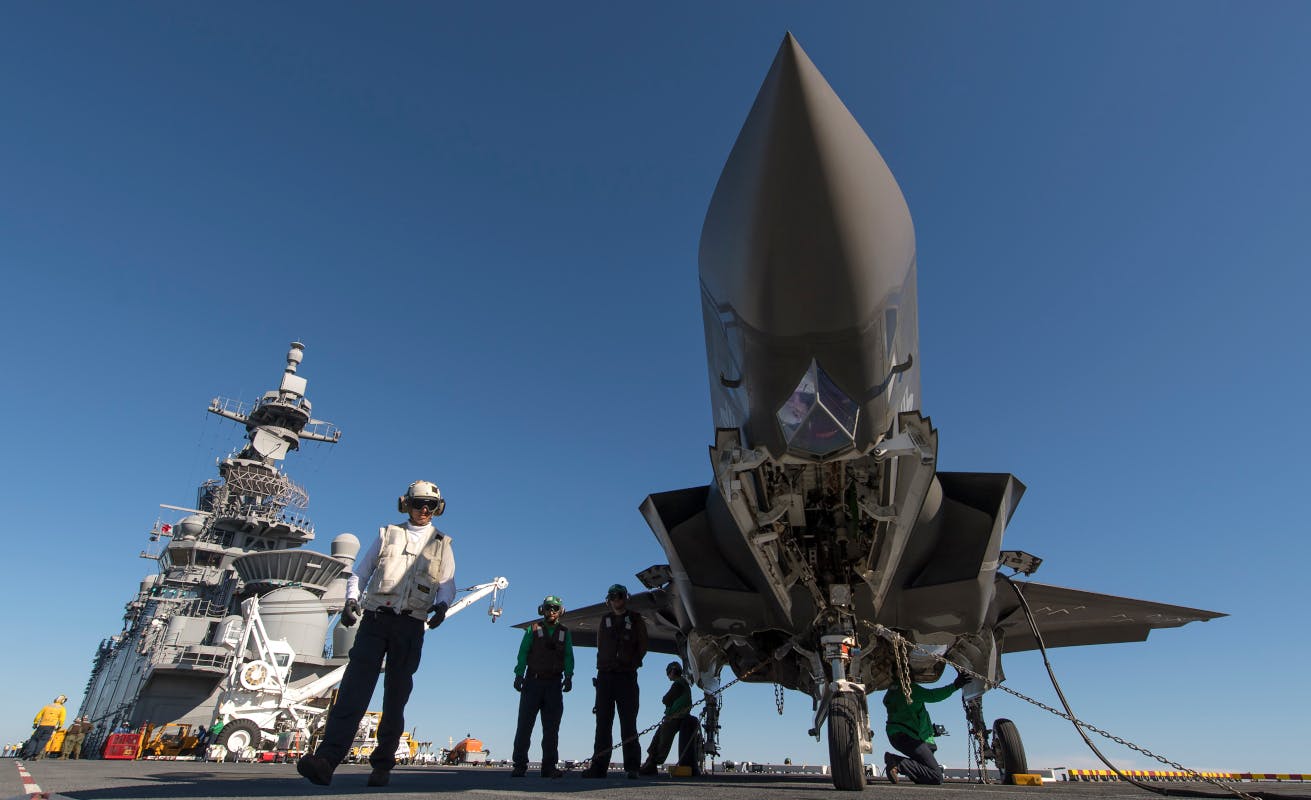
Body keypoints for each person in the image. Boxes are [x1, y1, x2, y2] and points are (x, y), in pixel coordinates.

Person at [298, 480, 456, 788]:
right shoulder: (387, 535)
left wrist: (443, 606)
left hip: (410, 626)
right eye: (418, 504)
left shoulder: (442, 544)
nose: (424, 510)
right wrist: (351, 598)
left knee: (396, 698)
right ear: (405, 504)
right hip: (374, 620)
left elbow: (447, 582)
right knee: (353, 692)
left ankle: (382, 765)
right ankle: (327, 761)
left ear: (438, 509)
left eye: (431, 506)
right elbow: (361, 571)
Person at [581, 583, 648, 780]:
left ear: (625, 597)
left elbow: (643, 645)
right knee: (602, 723)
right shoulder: (605, 620)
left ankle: (633, 767)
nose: (616, 599)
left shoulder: (636, 619)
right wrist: (604, 665)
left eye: (619, 595)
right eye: (612, 596)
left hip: (627, 677)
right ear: (608, 600)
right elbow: (600, 644)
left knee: (628, 723)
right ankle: (599, 767)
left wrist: (631, 663)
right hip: (605, 677)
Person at [510, 594, 574, 778]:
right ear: (542, 609)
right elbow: (523, 653)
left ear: (560, 611)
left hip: (554, 684)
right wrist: (518, 675)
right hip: (533, 683)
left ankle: (549, 767)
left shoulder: (564, 632)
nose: (551, 611)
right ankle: (520, 765)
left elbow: (569, 656)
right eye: (548, 607)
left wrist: (569, 676)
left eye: (555, 608)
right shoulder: (533, 629)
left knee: (552, 729)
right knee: (524, 726)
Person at [882, 670, 971, 784]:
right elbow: (933, 696)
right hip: (908, 737)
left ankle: (900, 764)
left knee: (925, 769)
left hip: (896, 736)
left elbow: (909, 715)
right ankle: (897, 762)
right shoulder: (909, 689)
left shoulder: (891, 691)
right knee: (936, 776)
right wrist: (955, 685)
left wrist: (930, 730)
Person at [638, 661, 693, 775]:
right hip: (676, 717)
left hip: (675, 718)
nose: (668, 675)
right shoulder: (683, 684)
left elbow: (666, 699)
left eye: (669, 672)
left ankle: (652, 763)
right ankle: (650, 763)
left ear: (672, 671)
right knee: (658, 737)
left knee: (663, 739)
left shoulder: (678, 684)